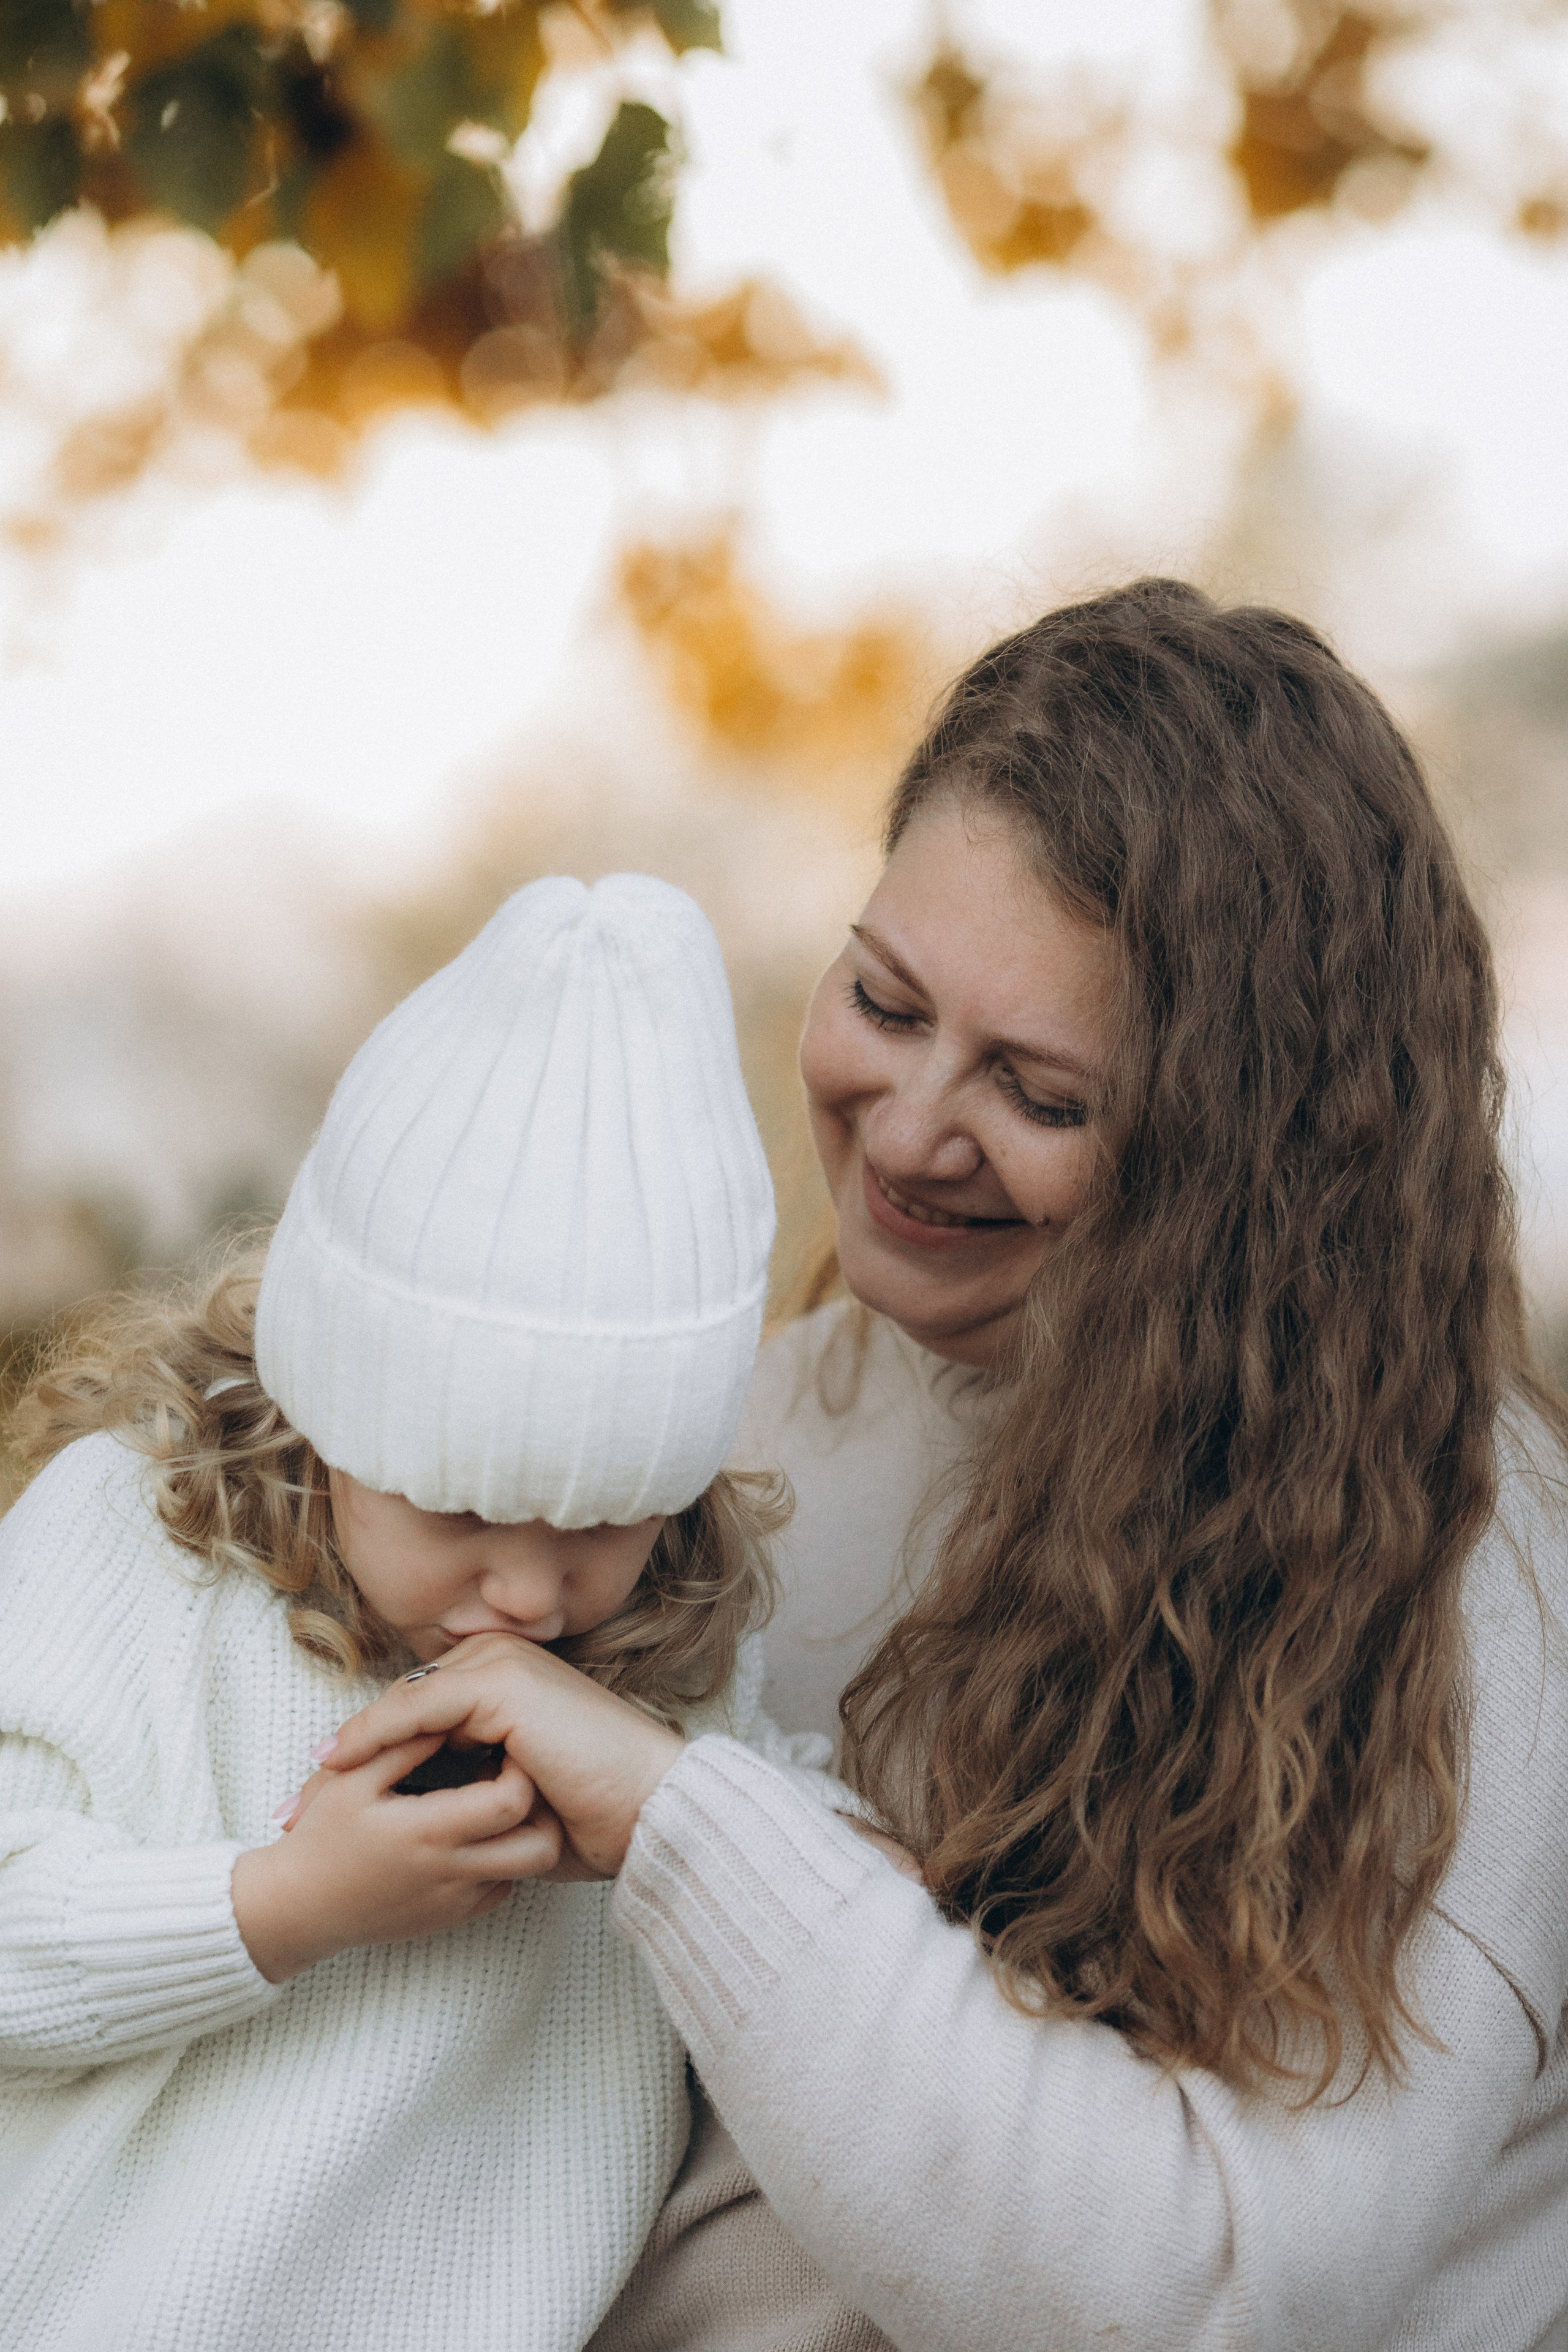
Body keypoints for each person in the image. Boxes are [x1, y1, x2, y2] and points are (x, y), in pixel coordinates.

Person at [320, 581, 1568, 2352]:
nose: (910, 1134)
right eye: (886, 1002)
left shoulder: (1457, 1586)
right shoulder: (722, 1450)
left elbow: (1225, 2292)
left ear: (1249, 1164)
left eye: (1043, 1097)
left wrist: (686, 1821)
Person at [0, 873, 864, 2352]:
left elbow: (826, 1931)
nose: (528, 1594)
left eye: (600, 1522)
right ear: (325, 1410)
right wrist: (287, 1903)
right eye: (457, 1510)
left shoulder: (675, 1666)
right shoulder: (128, 1540)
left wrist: (687, 1818)